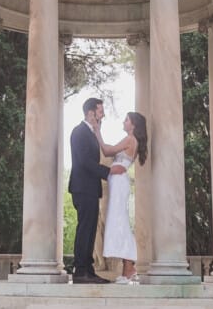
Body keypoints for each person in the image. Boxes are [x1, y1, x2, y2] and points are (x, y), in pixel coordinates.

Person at [68, 97, 125, 284]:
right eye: (100, 111)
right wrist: (108, 171)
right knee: (85, 229)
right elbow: (84, 162)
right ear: (90, 113)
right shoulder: (79, 132)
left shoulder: (91, 133)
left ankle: (88, 269)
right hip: (82, 188)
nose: (103, 115)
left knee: (90, 229)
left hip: (90, 189)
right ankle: (80, 271)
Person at [93, 110, 148, 284]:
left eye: (126, 120)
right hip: (117, 181)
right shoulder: (131, 140)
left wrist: (97, 132)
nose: (123, 122)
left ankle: (130, 264)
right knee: (118, 221)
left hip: (119, 182)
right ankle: (127, 268)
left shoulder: (130, 139)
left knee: (120, 221)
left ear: (133, 125)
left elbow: (108, 151)